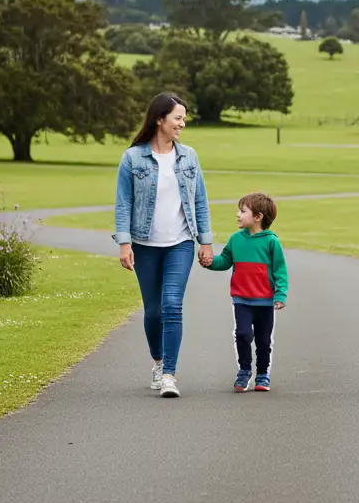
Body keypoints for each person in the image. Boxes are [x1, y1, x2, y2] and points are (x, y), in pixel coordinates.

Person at [114, 92, 214, 398]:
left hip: (180, 243)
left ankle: (170, 374)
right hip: (144, 245)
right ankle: (158, 362)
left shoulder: (189, 157)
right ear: (160, 119)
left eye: (184, 119)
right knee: (153, 311)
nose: (182, 124)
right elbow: (123, 204)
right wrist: (124, 243)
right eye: (177, 118)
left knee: (172, 305)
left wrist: (206, 241)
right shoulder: (133, 158)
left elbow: (200, 201)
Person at [199, 192, 288, 393]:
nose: (238, 214)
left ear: (258, 217)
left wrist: (280, 294)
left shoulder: (271, 242)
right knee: (243, 334)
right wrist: (209, 262)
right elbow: (225, 261)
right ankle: (244, 370)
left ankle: (262, 374)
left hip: (265, 301)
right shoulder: (235, 239)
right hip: (241, 300)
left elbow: (280, 271)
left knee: (264, 340)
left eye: (242, 211)